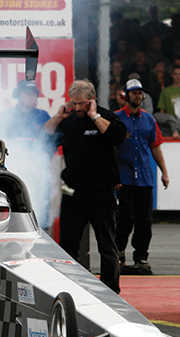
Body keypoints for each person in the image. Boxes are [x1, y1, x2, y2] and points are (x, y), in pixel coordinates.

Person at [45, 80, 126, 294]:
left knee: (107, 244)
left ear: (91, 101)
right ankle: (70, 286)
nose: (78, 108)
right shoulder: (69, 120)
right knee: (68, 244)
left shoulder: (105, 117)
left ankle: (111, 289)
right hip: (74, 193)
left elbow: (117, 136)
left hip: (102, 192)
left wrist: (94, 115)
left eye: (82, 103)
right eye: (74, 103)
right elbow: (45, 138)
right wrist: (58, 117)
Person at [114, 79, 169, 274]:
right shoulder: (116, 119)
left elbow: (155, 146)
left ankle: (141, 256)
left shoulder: (149, 119)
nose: (137, 96)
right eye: (134, 92)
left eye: (140, 93)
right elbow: (110, 149)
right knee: (124, 218)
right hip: (124, 177)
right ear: (126, 95)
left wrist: (164, 172)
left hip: (145, 176)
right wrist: (113, 175)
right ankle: (118, 253)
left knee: (144, 220)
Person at [0, 80, 51, 229]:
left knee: (39, 206)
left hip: (37, 171)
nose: (30, 97)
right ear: (19, 95)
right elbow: (0, 145)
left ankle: (41, 234)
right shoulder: (6, 116)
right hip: (15, 171)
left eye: (33, 94)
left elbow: (50, 144)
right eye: (26, 93)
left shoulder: (43, 116)